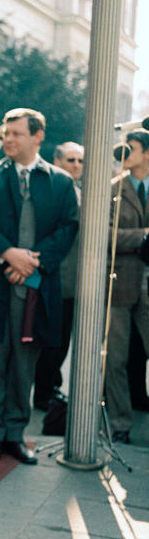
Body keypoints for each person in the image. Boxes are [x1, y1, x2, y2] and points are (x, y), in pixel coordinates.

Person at [0, 108, 78, 464]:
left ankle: (16, 434)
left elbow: (68, 227)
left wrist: (33, 262)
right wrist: (8, 254)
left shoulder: (61, 183)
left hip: (35, 288)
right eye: (6, 133)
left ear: (38, 136)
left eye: (16, 134)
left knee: (25, 365)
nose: (8, 139)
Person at [105, 130, 149, 444]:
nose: (122, 153)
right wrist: (144, 237)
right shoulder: (113, 190)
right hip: (121, 282)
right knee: (115, 357)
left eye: (129, 148)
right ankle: (120, 422)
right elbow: (104, 235)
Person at [33, 141, 83, 410]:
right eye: (70, 160)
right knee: (45, 340)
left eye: (80, 161)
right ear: (57, 160)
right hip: (47, 275)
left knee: (62, 341)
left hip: (74, 281)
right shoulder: (50, 189)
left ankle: (50, 386)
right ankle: (42, 393)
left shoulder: (84, 193)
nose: (76, 165)